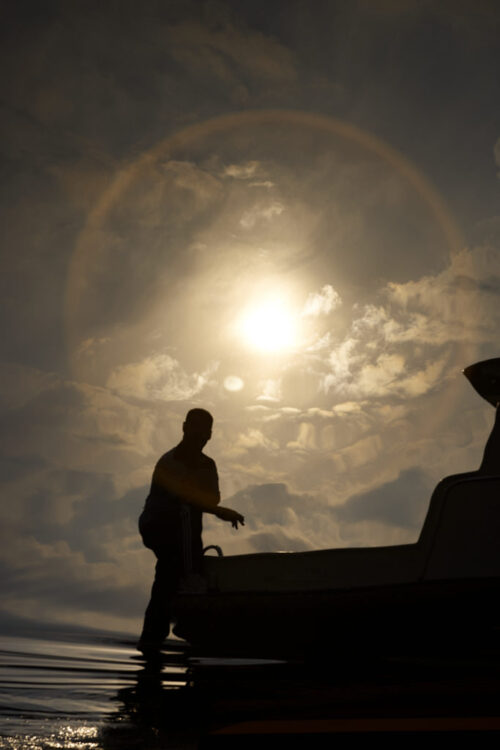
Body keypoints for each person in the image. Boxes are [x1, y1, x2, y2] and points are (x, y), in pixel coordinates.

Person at [137, 408, 244, 653]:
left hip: (183, 528)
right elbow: (185, 499)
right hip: (156, 524)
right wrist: (217, 510)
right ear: (184, 427)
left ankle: (169, 625)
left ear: (210, 435)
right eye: (195, 428)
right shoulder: (169, 462)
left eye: (205, 431)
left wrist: (210, 504)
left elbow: (211, 498)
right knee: (184, 518)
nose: (200, 435)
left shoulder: (208, 465)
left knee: (169, 571)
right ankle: (188, 584)